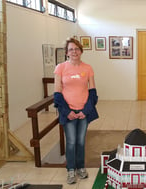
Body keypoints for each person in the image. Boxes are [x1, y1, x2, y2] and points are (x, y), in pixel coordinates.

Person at [53, 37, 98, 184]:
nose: (74, 52)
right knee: (71, 142)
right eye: (71, 49)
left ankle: (81, 167)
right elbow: (57, 93)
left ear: (81, 51)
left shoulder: (88, 68)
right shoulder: (60, 68)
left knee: (81, 141)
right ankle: (71, 170)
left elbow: (93, 92)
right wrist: (67, 112)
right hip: (69, 112)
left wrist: (86, 110)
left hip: (83, 111)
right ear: (66, 52)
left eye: (76, 49)